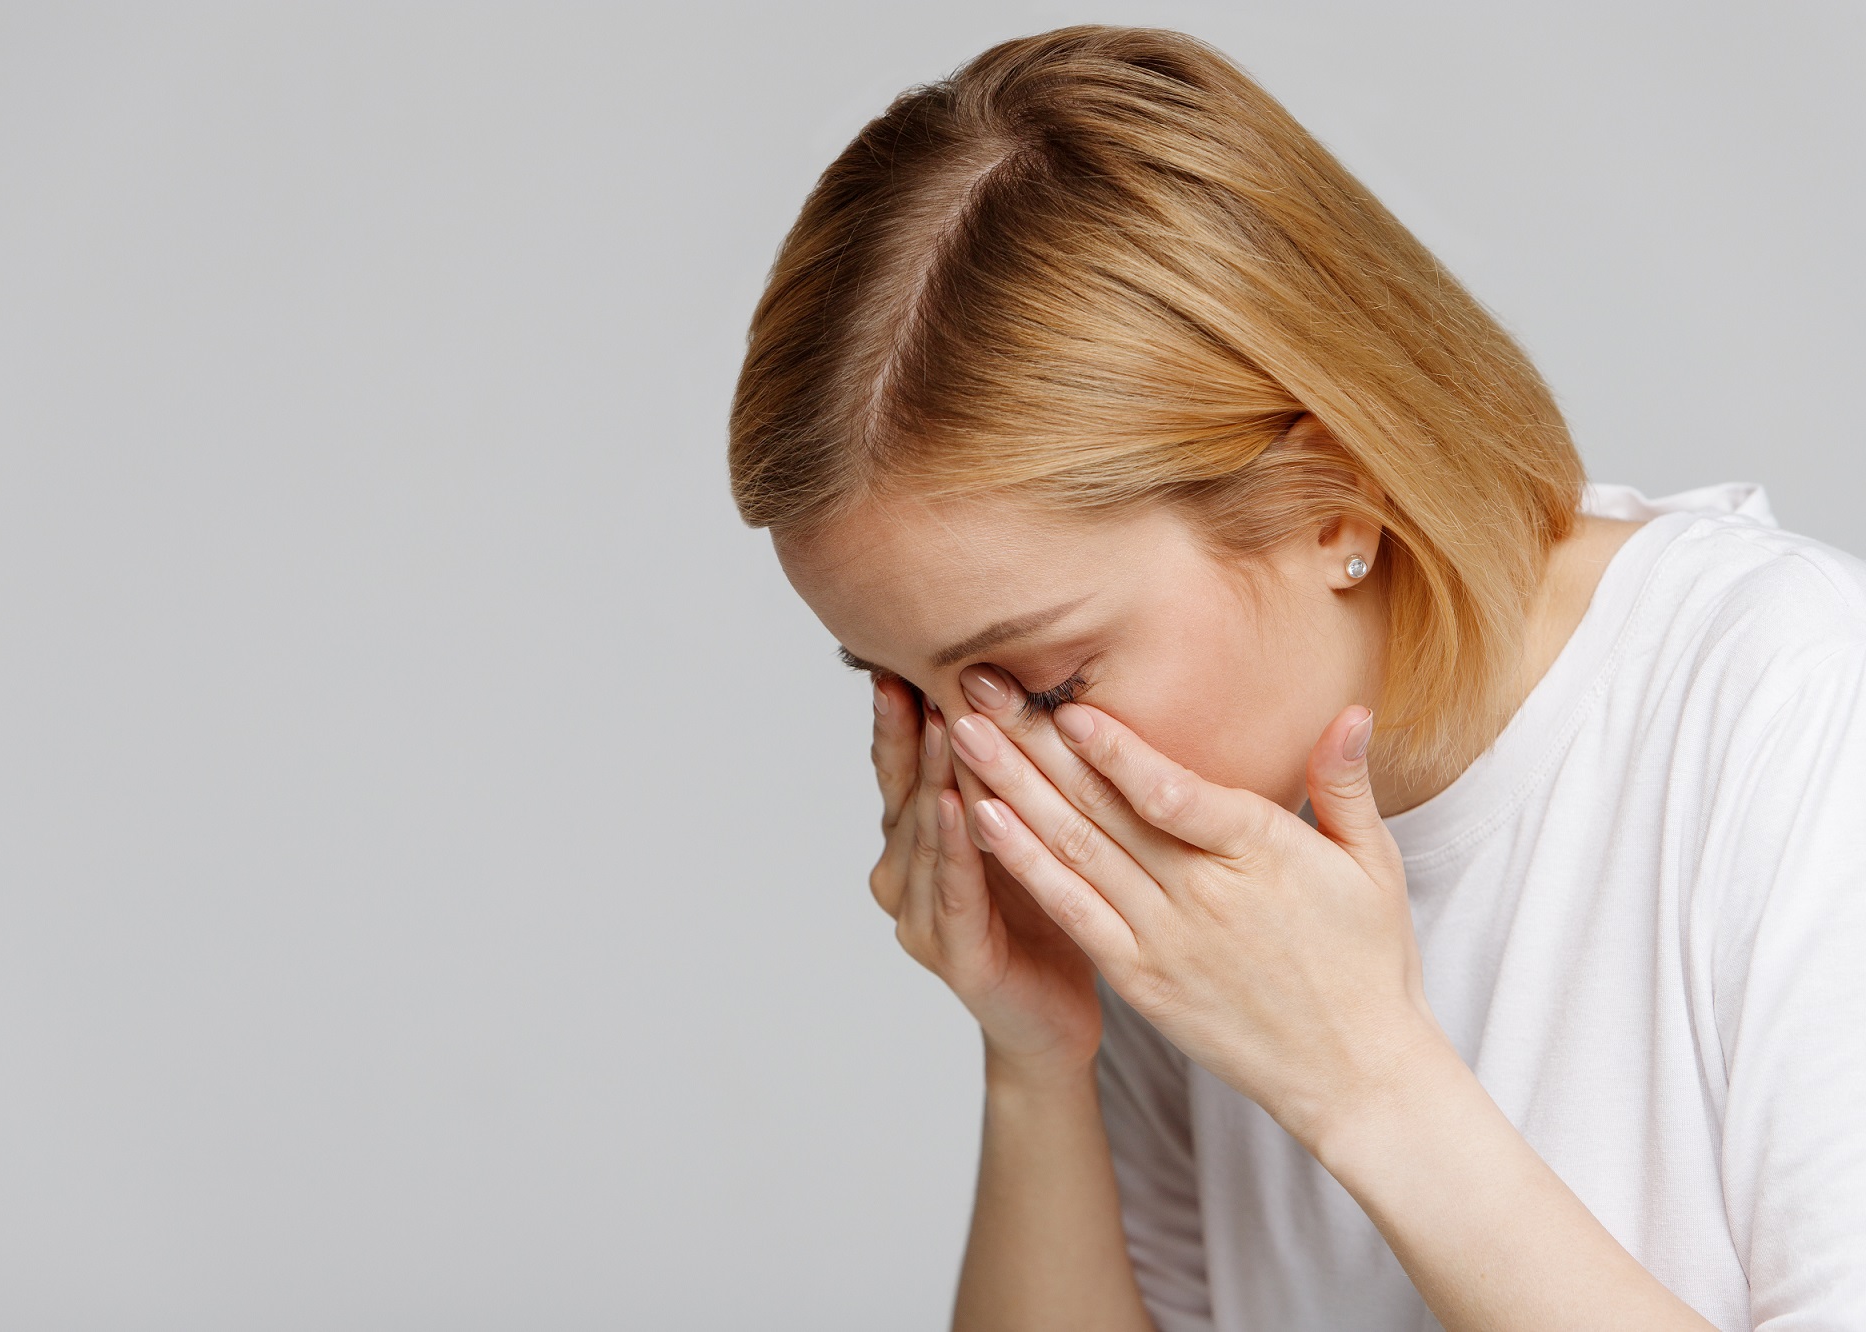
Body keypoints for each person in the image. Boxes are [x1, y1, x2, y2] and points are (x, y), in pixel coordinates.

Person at [725, 24, 1866, 1332]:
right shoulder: (1196, 857)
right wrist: (1037, 1061)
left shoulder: (1796, 706)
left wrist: (1368, 1082)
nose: (992, 783)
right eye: (910, 699)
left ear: (1335, 500)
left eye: (1040, 684)